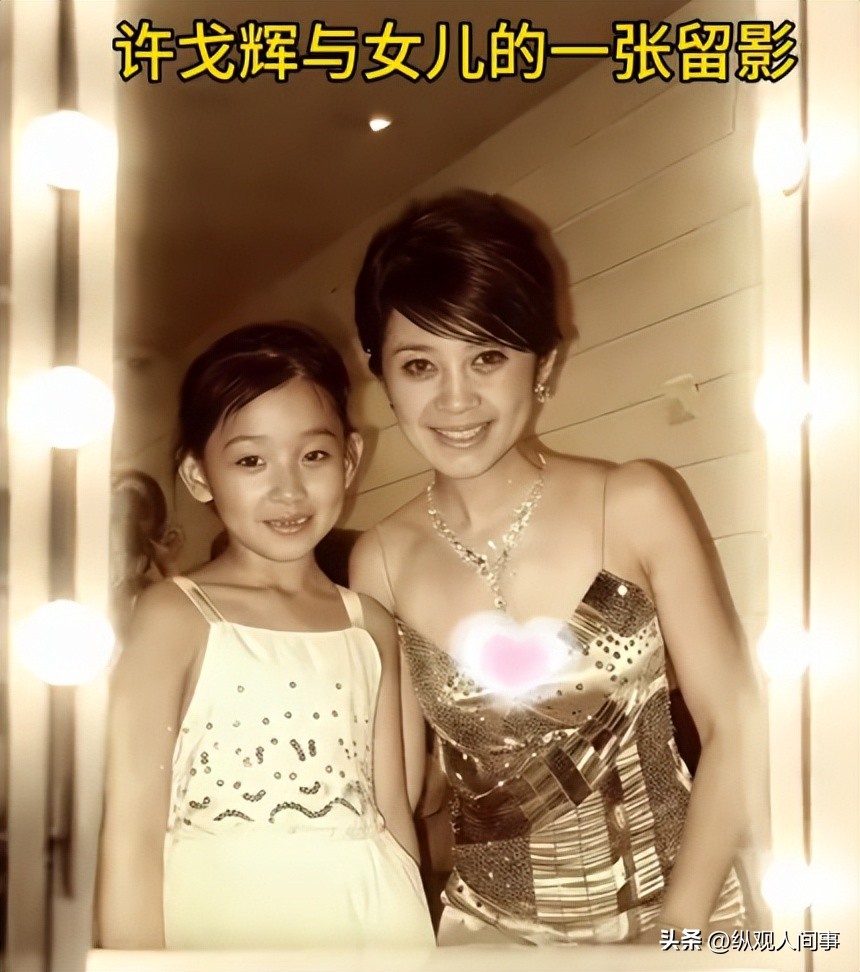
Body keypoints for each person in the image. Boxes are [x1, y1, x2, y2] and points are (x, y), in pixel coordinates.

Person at [350, 190, 758, 945]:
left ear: (544, 363)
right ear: (384, 377)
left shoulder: (633, 502)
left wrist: (674, 937)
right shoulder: (379, 560)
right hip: (486, 934)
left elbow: (736, 725)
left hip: (683, 917)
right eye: (419, 365)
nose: (455, 399)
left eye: (488, 357)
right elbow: (402, 794)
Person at [97, 323, 434, 950]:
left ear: (350, 459)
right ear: (198, 475)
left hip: (372, 920)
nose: (289, 489)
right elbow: (131, 836)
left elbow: (393, 813)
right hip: (224, 926)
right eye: (251, 460)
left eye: (314, 456)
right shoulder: (173, 616)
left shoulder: (370, 625)